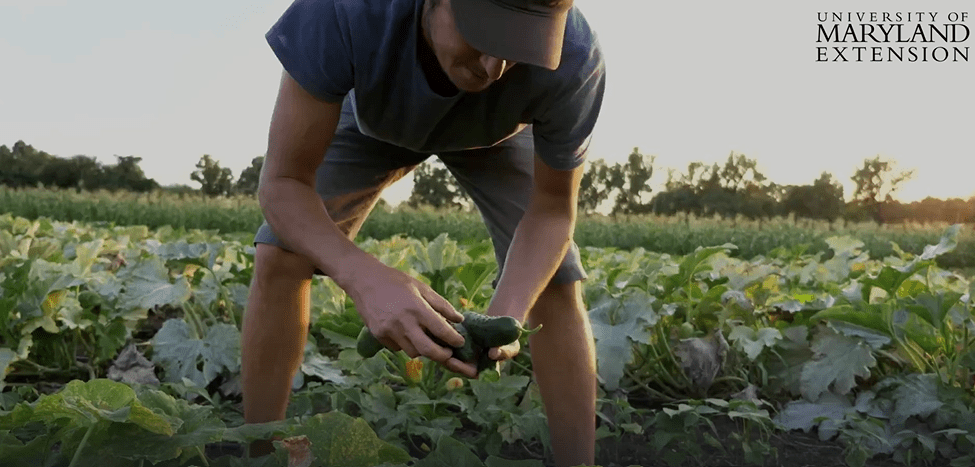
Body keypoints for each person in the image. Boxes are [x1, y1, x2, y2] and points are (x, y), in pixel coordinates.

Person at [240, 0, 605, 465]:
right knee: (281, 253)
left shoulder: (573, 56)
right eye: (487, 36)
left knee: (555, 280)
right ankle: (257, 453)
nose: (494, 67)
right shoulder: (344, 10)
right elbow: (283, 183)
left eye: (519, 45)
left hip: (497, 135)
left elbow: (552, 211)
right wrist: (364, 277)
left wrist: (507, 316)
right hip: (373, 120)